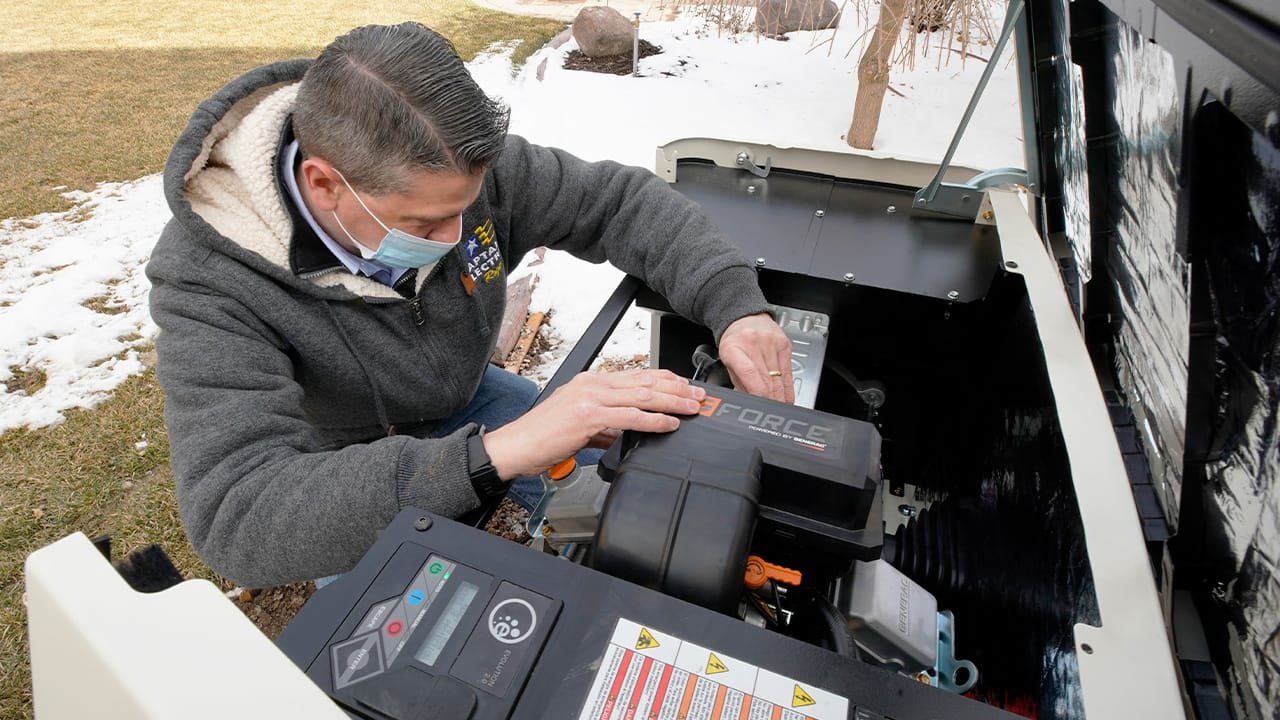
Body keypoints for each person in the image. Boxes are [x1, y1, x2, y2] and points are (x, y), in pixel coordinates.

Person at [147, 22, 793, 589]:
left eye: (464, 209)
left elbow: (619, 202)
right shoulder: (210, 278)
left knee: (644, 495)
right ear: (324, 184)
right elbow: (238, 514)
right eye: (424, 223)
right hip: (338, 466)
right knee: (398, 641)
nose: (455, 235)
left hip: (468, 397)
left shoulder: (455, 171)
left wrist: (735, 307)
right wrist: (496, 454)